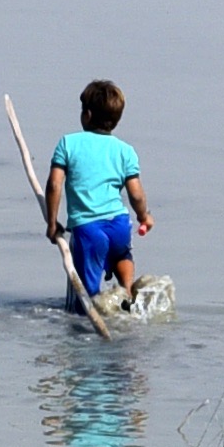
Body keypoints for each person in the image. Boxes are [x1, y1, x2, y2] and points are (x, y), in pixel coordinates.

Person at [42, 79, 154, 316]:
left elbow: (54, 185)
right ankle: (127, 291)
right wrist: (145, 216)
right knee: (122, 254)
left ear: (87, 115)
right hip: (119, 225)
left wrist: (52, 224)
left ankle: (93, 317)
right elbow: (135, 193)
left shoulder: (68, 143)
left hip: (88, 229)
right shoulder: (125, 150)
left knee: (88, 302)